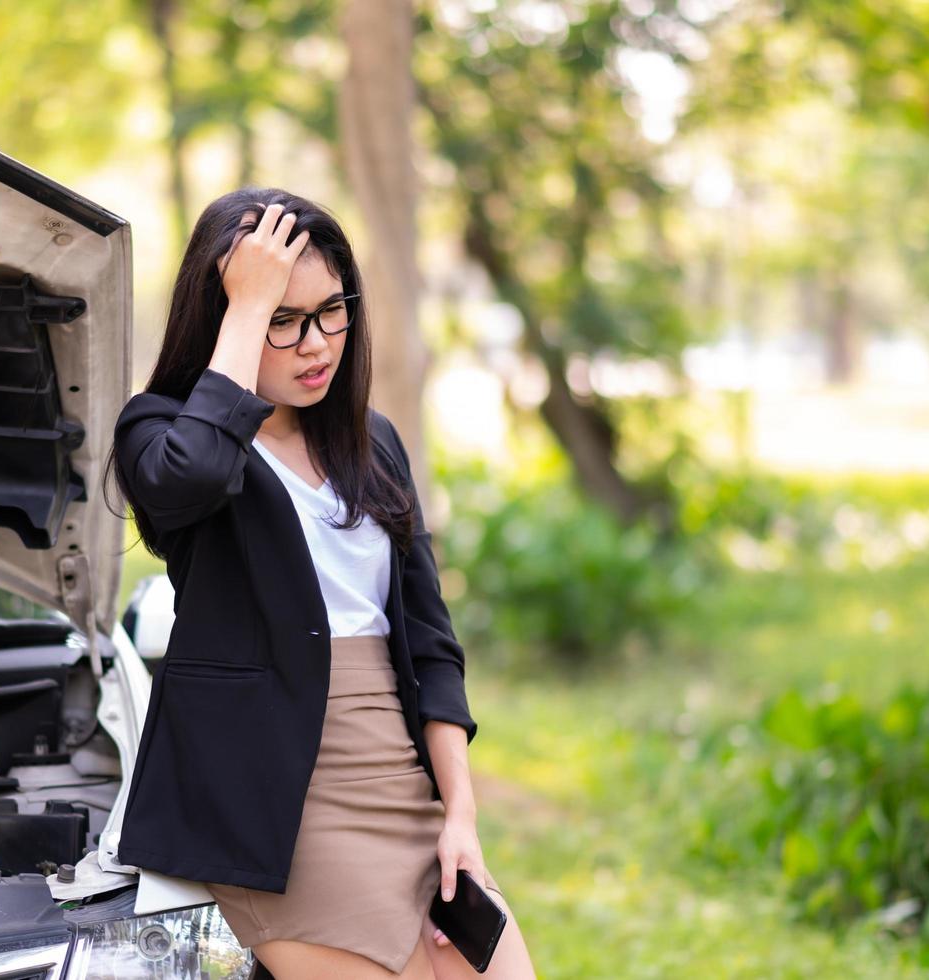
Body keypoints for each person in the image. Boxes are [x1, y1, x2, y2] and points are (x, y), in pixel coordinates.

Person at [110, 188, 538, 979]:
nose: (315, 345)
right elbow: (189, 480)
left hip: (398, 779)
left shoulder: (370, 443)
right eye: (282, 318)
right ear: (226, 316)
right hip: (277, 801)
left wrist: (460, 816)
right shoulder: (159, 431)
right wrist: (245, 310)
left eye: (330, 311)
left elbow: (432, 645)